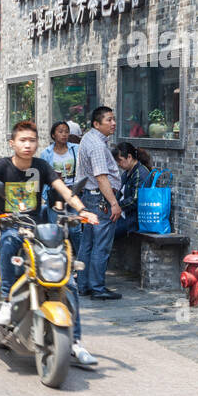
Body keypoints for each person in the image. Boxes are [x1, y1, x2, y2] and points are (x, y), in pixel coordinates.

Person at [0, 119, 97, 368]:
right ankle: (9, 303)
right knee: (9, 241)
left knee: (70, 282)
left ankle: (74, 343)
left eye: (32, 140)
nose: (27, 145)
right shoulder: (1, 166)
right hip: (11, 226)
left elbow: (62, 190)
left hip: (38, 230)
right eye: (22, 140)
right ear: (13, 143)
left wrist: (82, 210)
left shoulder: (42, 166)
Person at [73, 106, 123, 300]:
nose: (113, 123)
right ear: (96, 123)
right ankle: (97, 287)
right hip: (101, 199)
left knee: (88, 244)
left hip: (90, 197)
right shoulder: (97, 145)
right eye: (109, 120)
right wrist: (114, 203)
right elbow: (101, 177)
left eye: (113, 119)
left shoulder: (88, 138)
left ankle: (83, 284)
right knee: (100, 246)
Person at [38, 122, 78, 223]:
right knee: (56, 225)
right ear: (53, 135)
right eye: (60, 132)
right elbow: (42, 176)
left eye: (66, 132)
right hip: (54, 194)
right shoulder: (46, 153)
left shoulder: (75, 149)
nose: (64, 134)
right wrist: (45, 196)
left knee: (75, 228)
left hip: (72, 192)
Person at [112, 142, 153, 240]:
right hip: (122, 215)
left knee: (105, 233)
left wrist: (117, 205)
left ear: (129, 157)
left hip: (132, 220)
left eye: (119, 160)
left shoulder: (140, 173)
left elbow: (135, 200)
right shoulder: (127, 173)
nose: (118, 164)